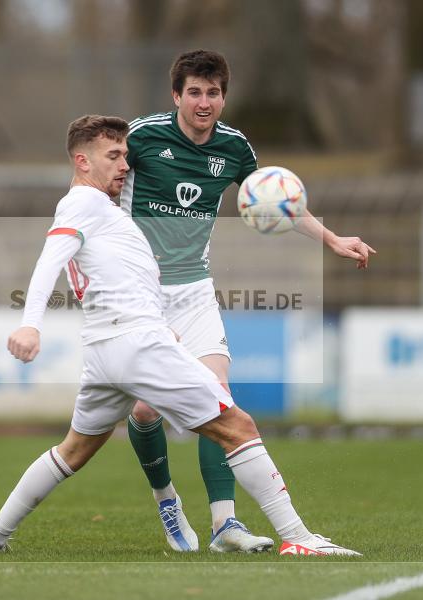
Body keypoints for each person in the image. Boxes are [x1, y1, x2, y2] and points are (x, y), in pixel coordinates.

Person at [0, 115, 361, 557]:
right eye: (113, 157)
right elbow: (49, 259)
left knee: (72, 451)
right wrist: (30, 323)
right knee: (239, 426)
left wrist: (155, 319)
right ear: (82, 161)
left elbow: (116, 275)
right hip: (134, 344)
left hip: (105, 351)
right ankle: (299, 539)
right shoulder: (83, 204)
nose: (123, 166)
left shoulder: (104, 213)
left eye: (125, 156)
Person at [120, 49, 376, 553]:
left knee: (218, 397)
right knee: (148, 411)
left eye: (213, 93)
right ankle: (167, 500)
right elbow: (102, 183)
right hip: (140, 293)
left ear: (223, 98)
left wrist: (331, 239)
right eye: (194, 91)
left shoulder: (235, 148)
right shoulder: (143, 136)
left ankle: (224, 525)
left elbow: (278, 201)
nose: (203, 102)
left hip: (193, 290)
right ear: (177, 95)